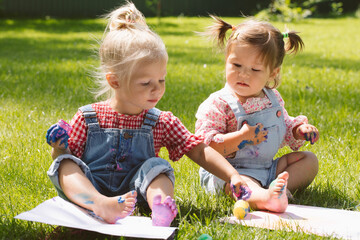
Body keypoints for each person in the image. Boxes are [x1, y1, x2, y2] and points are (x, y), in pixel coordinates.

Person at [45, 2, 247, 227]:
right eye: (146, 83)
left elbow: (199, 151)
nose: (157, 89)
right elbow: (67, 162)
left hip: (139, 193)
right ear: (115, 81)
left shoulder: (161, 121)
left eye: (161, 80)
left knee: (158, 167)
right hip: (92, 189)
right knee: (65, 163)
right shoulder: (88, 117)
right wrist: (59, 147)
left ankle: (159, 206)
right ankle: (99, 203)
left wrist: (232, 175)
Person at [195, 15, 319, 213]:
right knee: (240, 182)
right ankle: (266, 198)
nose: (244, 74)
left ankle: (278, 188)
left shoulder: (272, 98)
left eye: (255, 69)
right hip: (231, 172)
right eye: (236, 65)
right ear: (227, 61)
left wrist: (297, 130)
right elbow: (206, 148)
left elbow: (284, 126)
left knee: (309, 160)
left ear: (272, 73)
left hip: (267, 169)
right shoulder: (219, 103)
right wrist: (241, 137)